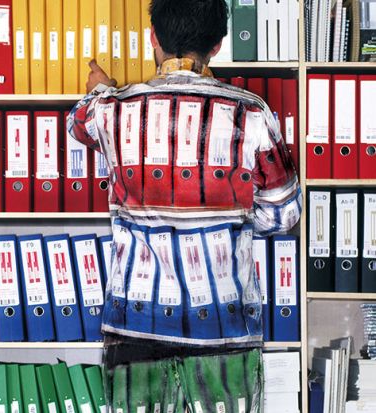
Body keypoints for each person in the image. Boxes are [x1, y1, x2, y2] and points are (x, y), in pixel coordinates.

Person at [67, 0, 302, 411]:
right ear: (218, 45)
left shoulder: (112, 108)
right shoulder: (252, 113)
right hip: (225, 326)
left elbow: (77, 123)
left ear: (153, 37)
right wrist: (229, 219)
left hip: (134, 327)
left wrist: (102, 87)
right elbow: (285, 213)